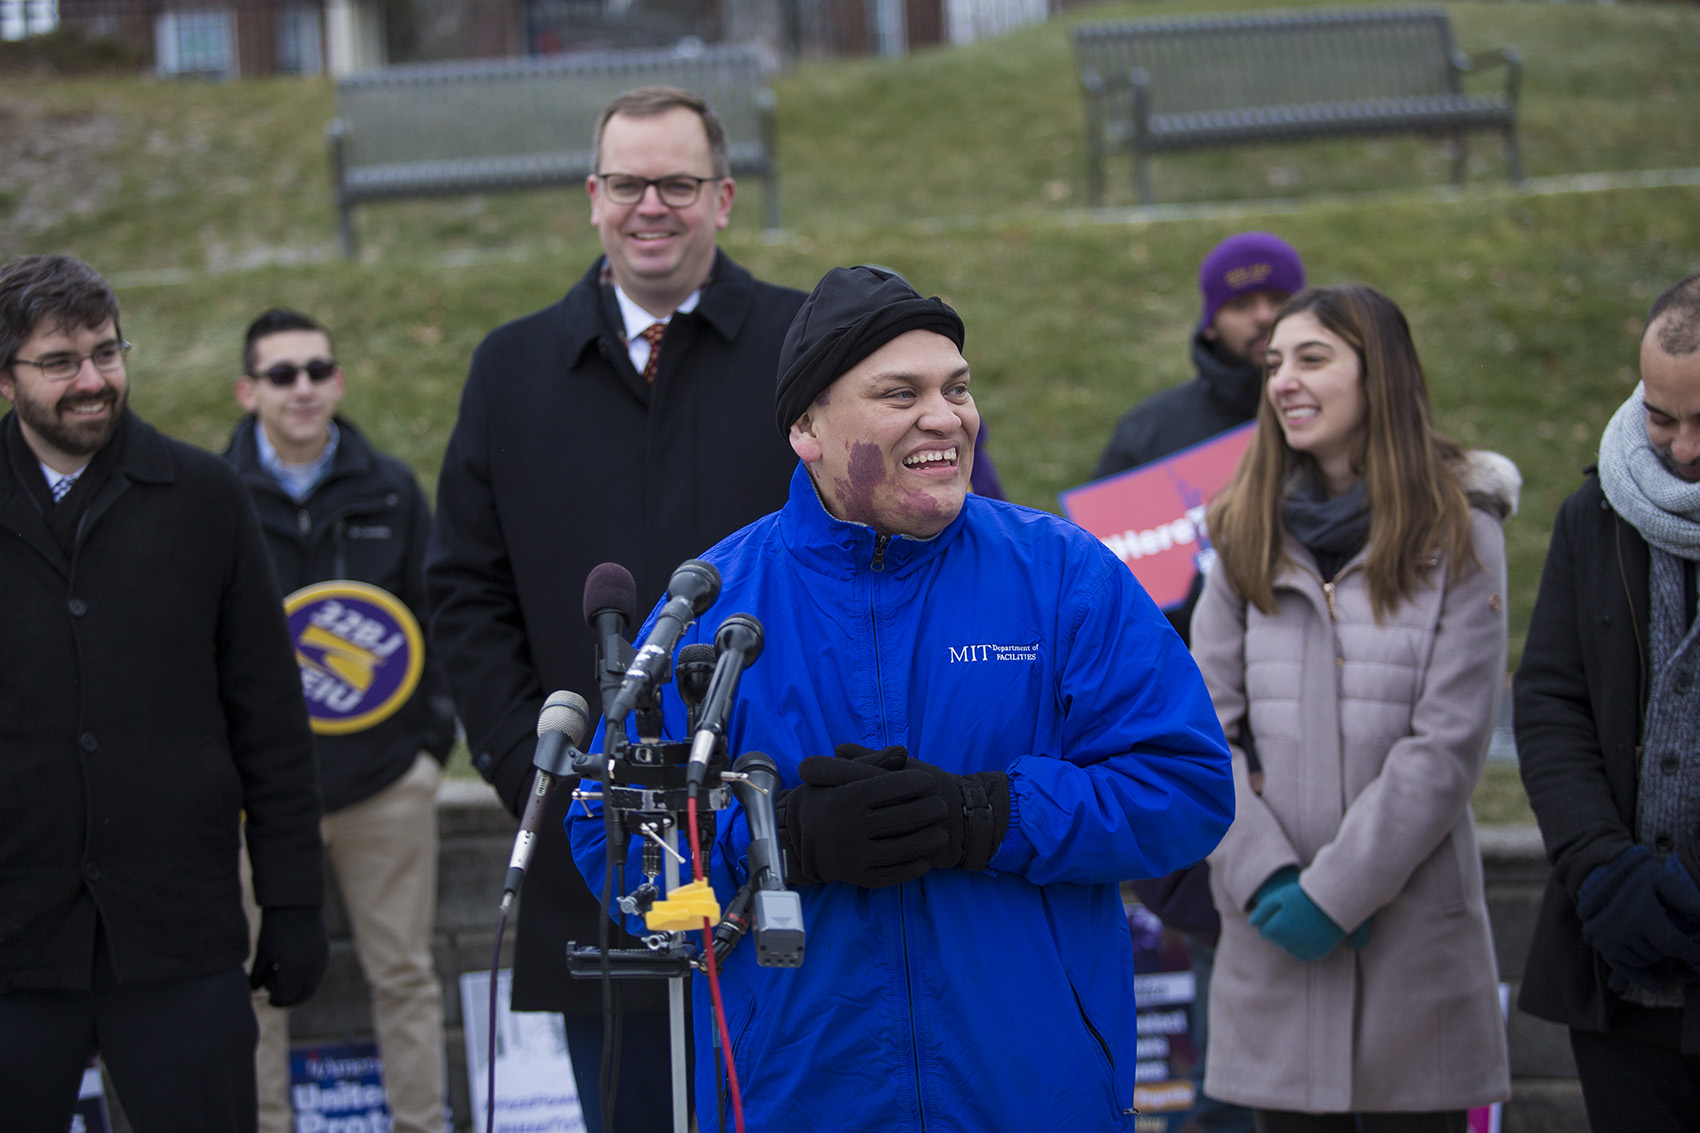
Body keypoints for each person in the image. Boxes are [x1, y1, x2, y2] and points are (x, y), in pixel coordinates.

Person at [569, 265, 1236, 1130]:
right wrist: (779, 841)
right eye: (900, 392)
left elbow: (1187, 791)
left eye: (957, 387)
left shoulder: (1063, 576)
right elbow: (613, 849)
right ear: (807, 425)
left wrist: (989, 815)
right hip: (795, 1099)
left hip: (1032, 1097)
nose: (946, 416)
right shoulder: (710, 603)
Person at [425, 85, 808, 1129]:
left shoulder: (801, 349)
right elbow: (464, 586)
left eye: (677, 183)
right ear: (592, 198)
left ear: (722, 197)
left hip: (779, 837)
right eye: (629, 183)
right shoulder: (510, 368)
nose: (653, 205)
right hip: (591, 854)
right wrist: (527, 767)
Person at [0, 254, 327, 1131]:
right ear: (7, 376)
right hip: (13, 943)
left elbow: (269, 716)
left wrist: (295, 902)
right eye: (59, 362)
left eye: (106, 352)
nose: (92, 380)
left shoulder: (205, 496)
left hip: (179, 938)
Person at [1190, 284, 1515, 1132]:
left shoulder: (1463, 533)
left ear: (1381, 374)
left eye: (1312, 358)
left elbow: (1445, 746)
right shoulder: (1238, 534)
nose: (1283, 381)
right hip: (1272, 941)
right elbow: (1198, 736)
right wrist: (1265, 876)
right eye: (1273, 365)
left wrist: (1333, 894)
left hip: (1412, 956)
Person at [1094, 230, 1305, 1133]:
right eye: (1241, 302)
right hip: (1203, 743)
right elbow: (1108, 598)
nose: (1259, 318)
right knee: (1232, 1020)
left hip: (1319, 735)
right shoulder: (1150, 432)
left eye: (1275, 301)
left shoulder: (1329, 421)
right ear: (1210, 312)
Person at [226, 308, 456, 1133]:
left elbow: (440, 618)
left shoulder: (389, 486)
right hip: (259, 794)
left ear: (338, 381)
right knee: (256, 980)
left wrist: (430, 747)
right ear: (249, 390)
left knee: (404, 973)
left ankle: (421, 1125)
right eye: (282, 374)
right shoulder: (212, 493)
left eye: (317, 369)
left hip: (382, 785)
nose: (303, 388)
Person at [1514, 273, 1700, 1132]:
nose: (1683, 448)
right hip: (1620, 974)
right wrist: (1599, 863)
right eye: (1662, 417)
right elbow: (1551, 697)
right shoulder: (1591, 515)